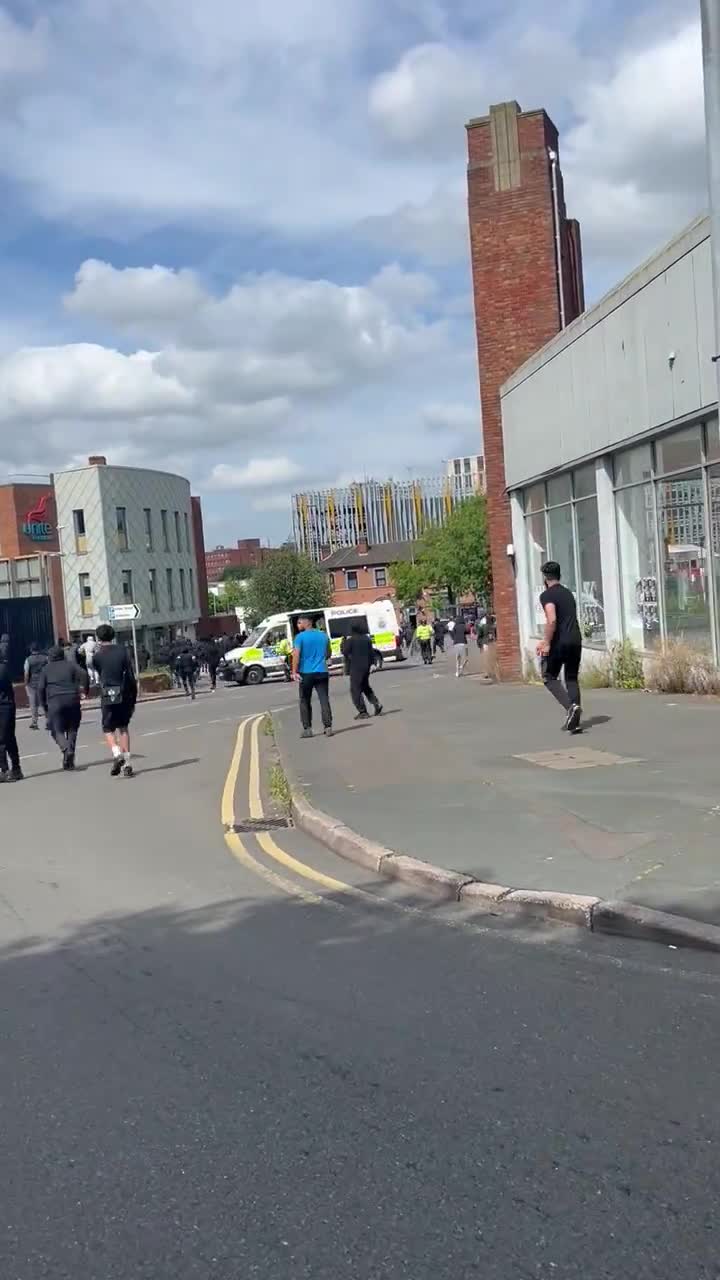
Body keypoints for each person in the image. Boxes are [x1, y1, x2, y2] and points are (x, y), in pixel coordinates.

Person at [537, 560, 583, 733]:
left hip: (559, 642)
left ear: (545, 578)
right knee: (571, 678)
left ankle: (571, 707)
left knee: (548, 676)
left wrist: (546, 642)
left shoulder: (547, 595)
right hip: (575, 639)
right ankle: (575, 720)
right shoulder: (568, 593)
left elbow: (552, 619)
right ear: (559, 575)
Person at [92, 623, 138, 777]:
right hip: (124, 692)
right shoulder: (123, 651)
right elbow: (130, 674)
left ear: (98, 638)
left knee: (107, 728)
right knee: (123, 728)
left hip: (108, 693)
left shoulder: (97, 656)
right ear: (113, 636)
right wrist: (133, 694)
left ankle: (116, 753)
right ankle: (127, 763)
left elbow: (100, 672)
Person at [38, 644, 89, 770]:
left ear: (50, 657)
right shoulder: (71, 665)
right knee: (72, 729)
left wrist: (44, 706)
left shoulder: (46, 669)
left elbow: (40, 689)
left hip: (55, 702)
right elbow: (84, 675)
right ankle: (69, 758)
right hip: (72, 699)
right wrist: (85, 691)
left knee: (56, 730)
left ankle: (66, 749)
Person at [292, 617, 333, 739]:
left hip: (306, 673)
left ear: (306, 623)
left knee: (304, 700)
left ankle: (307, 729)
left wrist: (294, 671)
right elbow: (328, 653)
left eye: (299, 622)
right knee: (324, 699)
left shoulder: (300, 637)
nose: (298, 625)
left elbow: (296, 655)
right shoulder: (323, 636)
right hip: (322, 671)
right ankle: (328, 727)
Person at [342, 623, 383, 720]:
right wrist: (372, 663)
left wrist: (344, 642)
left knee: (355, 690)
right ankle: (376, 703)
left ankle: (363, 711)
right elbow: (371, 652)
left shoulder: (351, 640)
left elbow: (344, 652)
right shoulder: (366, 639)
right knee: (365, 687)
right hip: (366, 667)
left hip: (356, 667)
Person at [0, 636, 22, 782]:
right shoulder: (4, 667)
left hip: (4, 706)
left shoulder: (2, 668)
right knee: (9, 738)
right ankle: (15, 768)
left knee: (3, 739)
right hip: (7, 705)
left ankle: (6, 770)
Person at [24, 642, 48, 729]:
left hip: (32, 684)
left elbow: (26, 673)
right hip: (43, 682)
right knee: (44, 702)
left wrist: (26, 684)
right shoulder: (45, 658)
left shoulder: (28, 660)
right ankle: (48, 721)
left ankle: (34, 722)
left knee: (33, 704)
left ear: (31, 650)